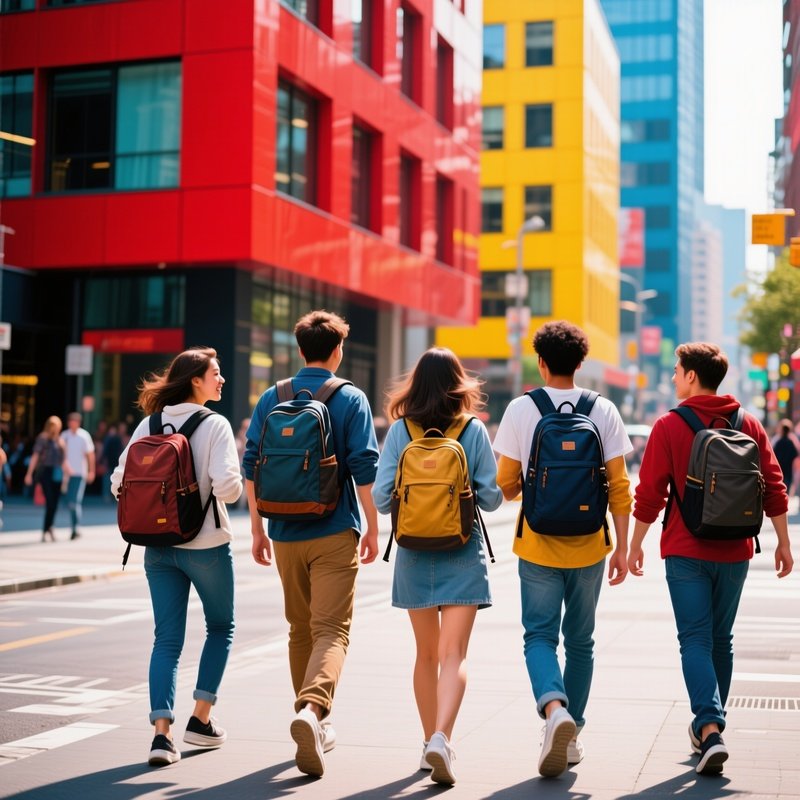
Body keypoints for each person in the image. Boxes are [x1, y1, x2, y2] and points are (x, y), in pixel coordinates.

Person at [628, 342, 793, 775]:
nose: (672, 377)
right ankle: (710, 729)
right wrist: (782, 542)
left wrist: (634, 545)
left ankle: (709, 728)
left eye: (677, 371)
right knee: (722, 639)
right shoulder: (749, 423)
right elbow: (774, 486)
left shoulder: (668, 425)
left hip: (685, 550)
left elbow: (650, 495)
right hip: (736, 549)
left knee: (695, 639)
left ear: (691, 376)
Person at [242, 309, 380, 779]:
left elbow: (251, 465)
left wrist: (258, 530)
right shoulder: (350, 398)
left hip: (283, 533)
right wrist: (373, 525)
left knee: (299, 629)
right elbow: (364, 466)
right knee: (332, 630)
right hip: (334, 529)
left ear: (300, 350)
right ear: (337, 350)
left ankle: (310, 715)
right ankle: (313, 711)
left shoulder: (271, 396)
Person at [492, 320, 632, 778]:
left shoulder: (520, 409)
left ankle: (555, 711)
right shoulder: (603, 409)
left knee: (539, 636)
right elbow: (619, 488)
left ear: (541, 362)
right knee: (582, 642)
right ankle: (574, 735)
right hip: (591, 545)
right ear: (581, 363)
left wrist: (536, 487)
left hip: (537, 544)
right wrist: (624, 547)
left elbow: (506, 485)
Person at [371, 347, 502, 785]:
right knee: (454, 654)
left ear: (416, 383)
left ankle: (429, 741)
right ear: (458, 383)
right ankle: (442, 737)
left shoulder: (401, 430)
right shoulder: (472, 430)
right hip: (462, 551)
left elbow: (379, 497)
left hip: (411, 552)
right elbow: (491, 497)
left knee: (425, 655)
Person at [110, 347, 242, 767]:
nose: (222, 380)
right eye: (215, 374)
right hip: (205, 546)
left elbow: (118, 484)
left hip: (157, 548)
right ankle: (200, 722)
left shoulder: (149, 423)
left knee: (166, 639)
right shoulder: (215, 424)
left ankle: (161, 737)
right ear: (195, 381)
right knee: (221, 627)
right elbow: (228, 488)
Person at [24, 416, 67, 542]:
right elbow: (35, 456)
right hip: (45, 472)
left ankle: (50, 527)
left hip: (58, 472)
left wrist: (67, 474)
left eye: (57, 425)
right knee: (49, 501)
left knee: (55, 503)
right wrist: (29, 473)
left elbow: (64, 460)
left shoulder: (60, 440)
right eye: (52, 425)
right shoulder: (42, 438)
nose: (54, 428)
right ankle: (45, 530)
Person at [62, 412, 96, 540]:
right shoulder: (64, 436)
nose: (72, 423)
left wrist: (91, 471)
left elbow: (90, 455)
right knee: (69, 501)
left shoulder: (84, 436)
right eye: (70, 421)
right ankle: (74, 526)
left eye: (74, 421)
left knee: (74, 501)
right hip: (66, 475)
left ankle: (75, 528)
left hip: (79, 473)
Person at [771, 419, 799, 493]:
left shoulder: (778, 441)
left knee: (780, 486)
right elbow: (795, 454)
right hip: (788, 468)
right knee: (787, 486)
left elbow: (773, 454)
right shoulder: (791, 442)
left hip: (780, 468)